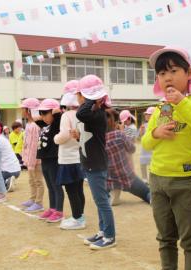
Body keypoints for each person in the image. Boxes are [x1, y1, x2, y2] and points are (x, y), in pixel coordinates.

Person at [141, 46, 191, 270]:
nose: (168, 77)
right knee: (165, 239)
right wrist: (155, 133)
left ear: (189, 74)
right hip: (158, 180)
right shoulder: (159, 109)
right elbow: (145, 143)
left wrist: (182, 102)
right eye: (162, 74)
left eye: (173, 71)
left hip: (186, 181)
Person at [74, 74, 116, 250]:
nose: (78, 98)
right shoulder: (94, 113)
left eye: (80, 94)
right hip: (92, 161)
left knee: (102, 201)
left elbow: (80, 112)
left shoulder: (97, 114)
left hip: (96, 163)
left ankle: (110, 236)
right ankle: (103, 230)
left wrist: (91, 98)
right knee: (100, 200)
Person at [54, 80, 86, 230]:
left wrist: (55, 139)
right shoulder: (82, 113)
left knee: (71, 190)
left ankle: (77, 219)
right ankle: (80, 215)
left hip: (67, 159)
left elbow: (64, 135)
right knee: (78, 189)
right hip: (79, 157)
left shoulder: (67, 115)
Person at [106, 109, 151, 205]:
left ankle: (114, 192)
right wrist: (122, 133)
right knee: (147, 192)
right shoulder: (119, 134)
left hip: (109, 177)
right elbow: (132, 149)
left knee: (113, 180)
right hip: (126, 175)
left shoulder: (99, 138)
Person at [37, 99, 65, 223]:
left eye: (45, 114)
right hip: (45, 160)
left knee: (56, 185)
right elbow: (35, 118)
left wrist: (56, 113)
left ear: (53, 114)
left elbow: (58, 117)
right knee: (50, 186)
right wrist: (43, 114)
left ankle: (59, 211)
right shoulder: (45, 125)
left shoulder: (56, 125)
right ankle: (53, 208)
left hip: (54, 160)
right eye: (41, 114)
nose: (43, 117)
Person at [20, 98, 45, 213]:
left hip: (35, 159)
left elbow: (34, 145)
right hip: (29, 158)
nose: (21, 111)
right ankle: (32, 198)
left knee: (38, 181)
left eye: (23, 108)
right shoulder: (29, 124)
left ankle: (39, 202)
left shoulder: (35, 125)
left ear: (28, 110)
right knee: (32, 180)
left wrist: (31, 160)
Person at [139, 106, 156, 185]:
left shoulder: (156, 125)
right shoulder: (144, 125)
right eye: (146, 114)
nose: (146, 116)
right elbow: (139, 137)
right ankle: (144, 179)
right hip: (144, 150)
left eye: (148, 114)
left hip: (152, 150)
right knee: (142, 164)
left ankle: (152, 180)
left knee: (152, 166)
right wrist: (141, 132)